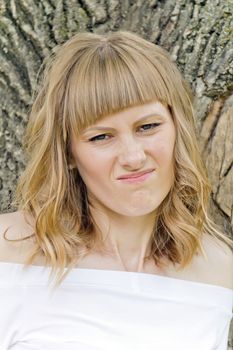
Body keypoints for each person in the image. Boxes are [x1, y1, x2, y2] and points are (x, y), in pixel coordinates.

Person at [0, 31, 232, 350]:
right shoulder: (9, 252)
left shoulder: (218, 269)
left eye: (148, 127)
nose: (133, 157)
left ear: (178, 128)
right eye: (101, 137)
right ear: (68, 153)